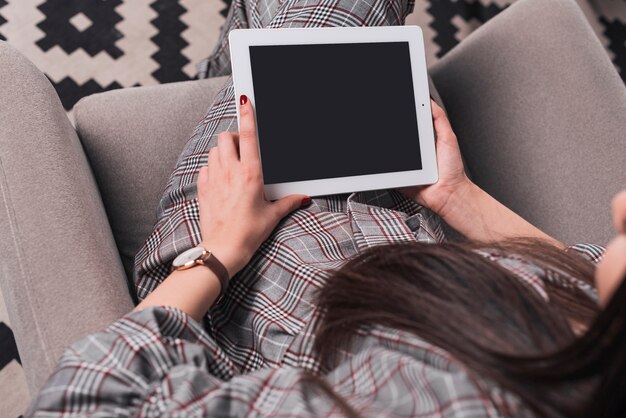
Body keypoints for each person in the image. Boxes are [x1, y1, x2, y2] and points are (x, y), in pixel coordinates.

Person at [26, 0, 625, 417]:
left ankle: (225, 76)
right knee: (286, 34)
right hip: (409, 234)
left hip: (248, 257)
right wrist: (456, 196)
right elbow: (583, 276)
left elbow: (82, 399)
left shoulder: (438, 402)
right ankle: (228, 75)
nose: (620, 207)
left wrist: (216, 254)